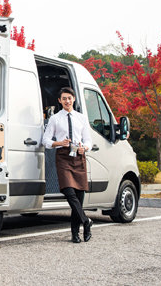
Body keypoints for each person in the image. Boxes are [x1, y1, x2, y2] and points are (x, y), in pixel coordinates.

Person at [42, 87, 93, 243]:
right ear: (59, 101)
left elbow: (89, 140)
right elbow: (45, 141)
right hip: (63, 157)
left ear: (74, 99)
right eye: (64, 98)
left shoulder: (81, 118)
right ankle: (86, 221)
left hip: (78, 157)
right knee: (69, 192)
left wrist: (85, 147)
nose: (67, 101)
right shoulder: (55, 119)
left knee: (78, 198)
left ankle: (76, 234)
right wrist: (59, 143)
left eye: (69, 98)